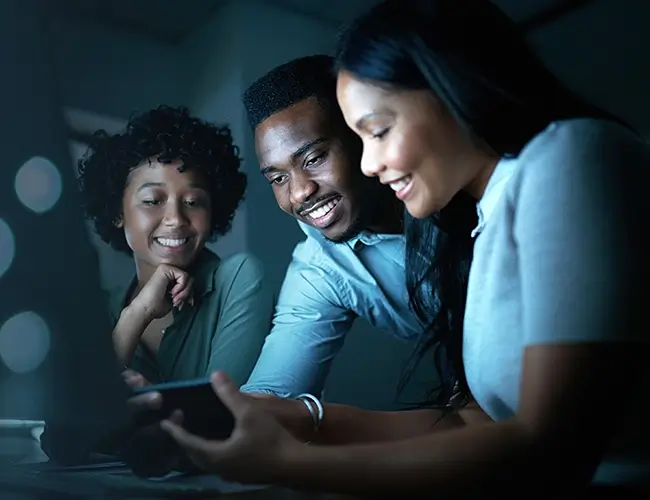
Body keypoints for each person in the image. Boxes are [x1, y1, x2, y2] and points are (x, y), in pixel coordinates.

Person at [159, 0, 649, 497]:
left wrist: (289, 465)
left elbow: (552, 447)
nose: (370, 163)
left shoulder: (564, 159)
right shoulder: (483, 220)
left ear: (448, 90)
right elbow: (475, 425)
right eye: (279, 177)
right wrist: (277, 417)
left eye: (376, 131)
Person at [239, 54, 431, 399]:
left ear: (361, 135)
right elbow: (272, 394)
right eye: (279, 178)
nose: (299, 192)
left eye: (314, 159)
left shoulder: (450, 189)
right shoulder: (322, 265)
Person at [76, 105, 273, 387]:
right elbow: (80, 415)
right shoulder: (98, 309)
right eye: (153, 201)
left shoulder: (238, 280)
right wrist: (136, 314)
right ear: (117, 212)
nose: (175, 220)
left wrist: (149, 404)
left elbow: (222, 410)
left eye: (193, 202)